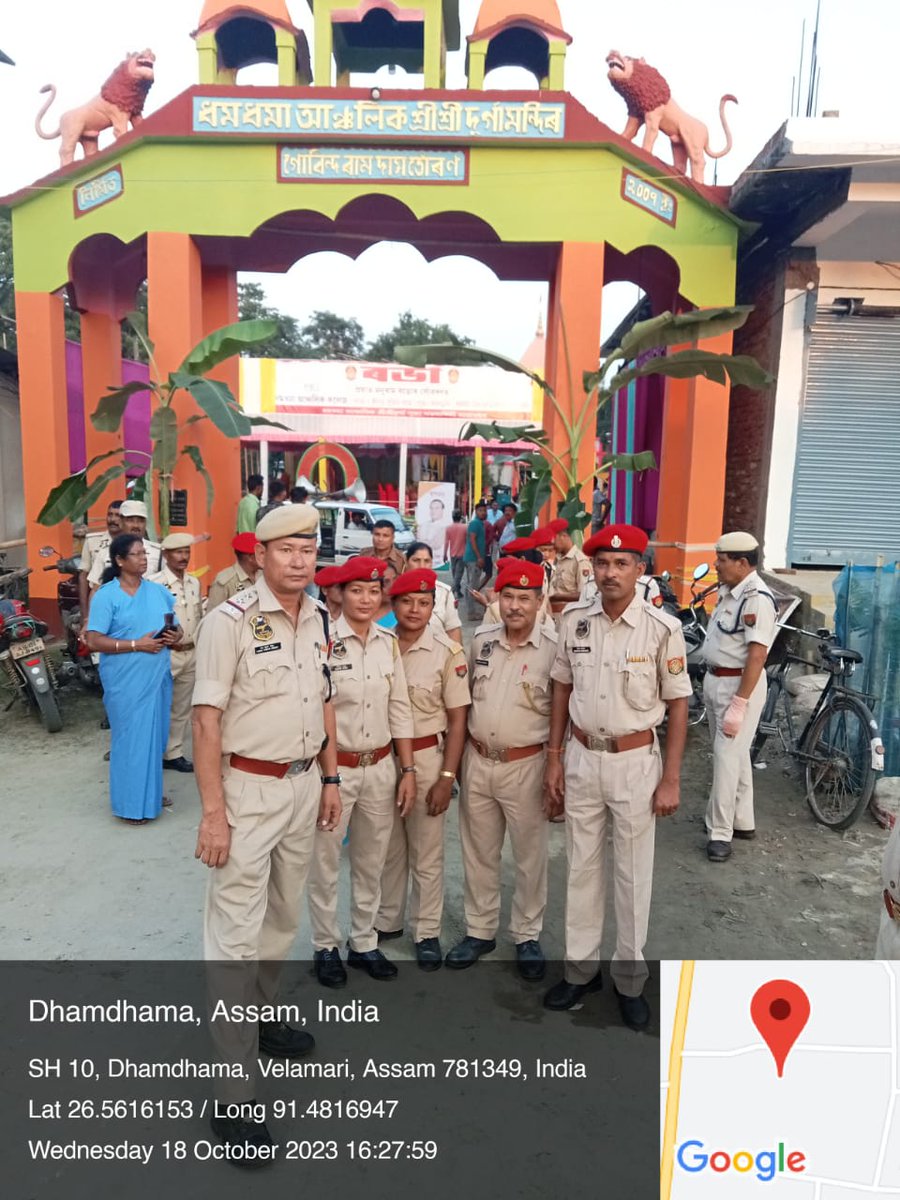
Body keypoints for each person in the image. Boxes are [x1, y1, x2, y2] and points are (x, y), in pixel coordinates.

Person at [191, 503, 342, 1158]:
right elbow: (204, 722)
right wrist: (214, 812)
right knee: (235, 937)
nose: (301, 559)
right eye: (287, 549)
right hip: (247, 793)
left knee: (282, 920)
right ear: (261, 556)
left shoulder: (320, 617)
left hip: (303, 785)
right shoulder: (228, 624)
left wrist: (331, 779)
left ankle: (261, 1014)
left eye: (309, 548)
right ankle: (233, 1096)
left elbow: (324, 700)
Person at [543, 524, 692, 1028]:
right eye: (602, 564)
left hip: (635, 764)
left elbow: (678, 705)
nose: (609, 572)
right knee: (581, 869)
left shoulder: (661, 628)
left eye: (621, 563)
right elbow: (561, 688)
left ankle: (630, 980)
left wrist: (670, 779)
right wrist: (554, 757)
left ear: (639, 570)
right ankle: (580, 970)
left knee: (631, 876)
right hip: (583, 756)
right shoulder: (575, 623)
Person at [445, 558, 557, 981]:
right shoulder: (483, 641)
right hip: (477, 760)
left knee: (529, 856)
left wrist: (555, 767)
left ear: (539, 601)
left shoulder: (554, 647)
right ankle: (480, 930)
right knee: (478, 851)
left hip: (527, 764)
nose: (514, 606)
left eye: (524, 598)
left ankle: (527, 935)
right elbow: (464, 700)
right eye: (507, 596)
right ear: (498, 599)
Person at [307, 557, 416, 987]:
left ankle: (364, 942)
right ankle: (325, 945)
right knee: (326, 861)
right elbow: (316, 713)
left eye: (374, 591)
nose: (367, 599)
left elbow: (401, 708)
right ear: (339, 593)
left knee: (372, 861)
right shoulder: (323, 643)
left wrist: (407, 769)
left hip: (381, 766)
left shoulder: (388, 642)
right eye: (357, 591)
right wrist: (329, 777)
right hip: (337, 771)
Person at [375, 569, 470, 969]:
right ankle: (387, 919)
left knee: (427, 851)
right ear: (393, 605)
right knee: (386, 847)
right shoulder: (377, 644)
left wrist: (447, 778)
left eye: (424, 602)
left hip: (428, 757)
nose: (415, 609)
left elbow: (458, 719)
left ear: (434, 606)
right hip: (383, 759)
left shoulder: (447, 652)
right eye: (407, 601)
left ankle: (426, 930)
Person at [84, 533, 183, 824]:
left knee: (154, 736)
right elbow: (93, 640)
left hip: (157, 676)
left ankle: (150, 793)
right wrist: (135, 645)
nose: (144, 558)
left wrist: (175, 636)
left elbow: (175, 630)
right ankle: (130, 805)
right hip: (125, 680)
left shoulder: (157, 592)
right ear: (119, 560)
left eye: (144, 553)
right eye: (137, 554)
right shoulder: (106, 595)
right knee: (130, 739)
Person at [702, 532, 777, 863]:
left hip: (738, 686)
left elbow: (757, 656)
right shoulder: (730, 593)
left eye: (722, 559)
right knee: (735, 754)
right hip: (716, 680)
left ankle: (720, 832)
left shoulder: (757, 598)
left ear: (742, 563)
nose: (716, 565)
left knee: (725, 756)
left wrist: (740, 702)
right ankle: (743, 820)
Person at [150, 533, 204, 775]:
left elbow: (199, 617)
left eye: (186, 552)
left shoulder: (194, 583)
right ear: (165, 555)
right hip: (165, 653)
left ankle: (174, 753)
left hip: (191, 652)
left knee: (182, 707)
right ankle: (151, 752)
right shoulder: (153, 584)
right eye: (178, 552)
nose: (184, 557)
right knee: (156, 704)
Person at [86, 499, 162, 592]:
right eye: (130, 520)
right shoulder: (106, 552)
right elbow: (95, 590)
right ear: (121, 522)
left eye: (140, 521)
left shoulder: (158, 553)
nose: (136, 526)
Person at [404, 541, 462, 644]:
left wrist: (458, 657)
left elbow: (453, 630)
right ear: (406, 561)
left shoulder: (444, 592)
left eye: (427, 561)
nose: (422, 565)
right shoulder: (395, 591)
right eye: (416, 560)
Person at [78, 499, 123, 617]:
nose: (112, 519)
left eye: (117, 515)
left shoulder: (133, 545)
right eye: (110, 515)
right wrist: (85, 613)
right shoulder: (92, 541)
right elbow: (84, 576)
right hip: (98, 602)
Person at [548, 518, 593, 617]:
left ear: (563, 536)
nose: (552, 545)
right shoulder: (558, 560)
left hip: (570, 616)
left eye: (553, 540)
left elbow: (586, 594)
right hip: (554, 616)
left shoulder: (580, 561)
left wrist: (556, 597)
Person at [207, 533, 259, 611]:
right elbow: (213, 617)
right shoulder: (225, 581)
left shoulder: (265, 575)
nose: (266, 557)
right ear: (251, 558)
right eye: (261, 554)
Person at [463, 501, 488, 621]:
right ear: (476, 512)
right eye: (480, 510)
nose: (483, 513)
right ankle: (471, 613)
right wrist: (479, 557)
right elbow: (472, 540)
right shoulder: (475, 524)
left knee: (472, 585)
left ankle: (471, 611)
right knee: (472, 586)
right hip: (473, 559)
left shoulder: (480, 524)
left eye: (484, 510)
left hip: (473, 558)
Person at [444, 509, 468, 601]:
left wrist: (444, 554)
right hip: (462, 554)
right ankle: (452, 592)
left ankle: (455, 592)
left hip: (452, 554)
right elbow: (467, 541)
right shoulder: (465, 527)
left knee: (455, 575)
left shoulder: (449, 528)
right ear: (460, 517)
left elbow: (446, 542)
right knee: (458, 575)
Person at [375, 561, 400, 629]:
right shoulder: (360, 614)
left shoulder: (400, 614)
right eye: (385, 582)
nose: (392, 586)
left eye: (395, 580)